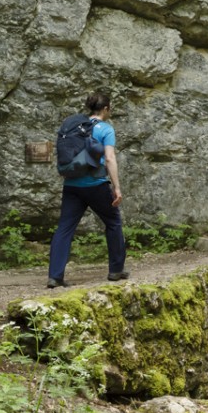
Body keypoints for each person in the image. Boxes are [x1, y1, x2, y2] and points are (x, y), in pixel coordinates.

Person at [47, 91, 128, 288]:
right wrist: (116, 187)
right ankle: (116, 270)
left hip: (72, 185)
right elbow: (109, 159)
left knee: (65, 228)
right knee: (113, 222)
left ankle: (54, 276)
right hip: (95, 185)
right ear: (106, 109)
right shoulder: (105, 129)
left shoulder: (74, 125)